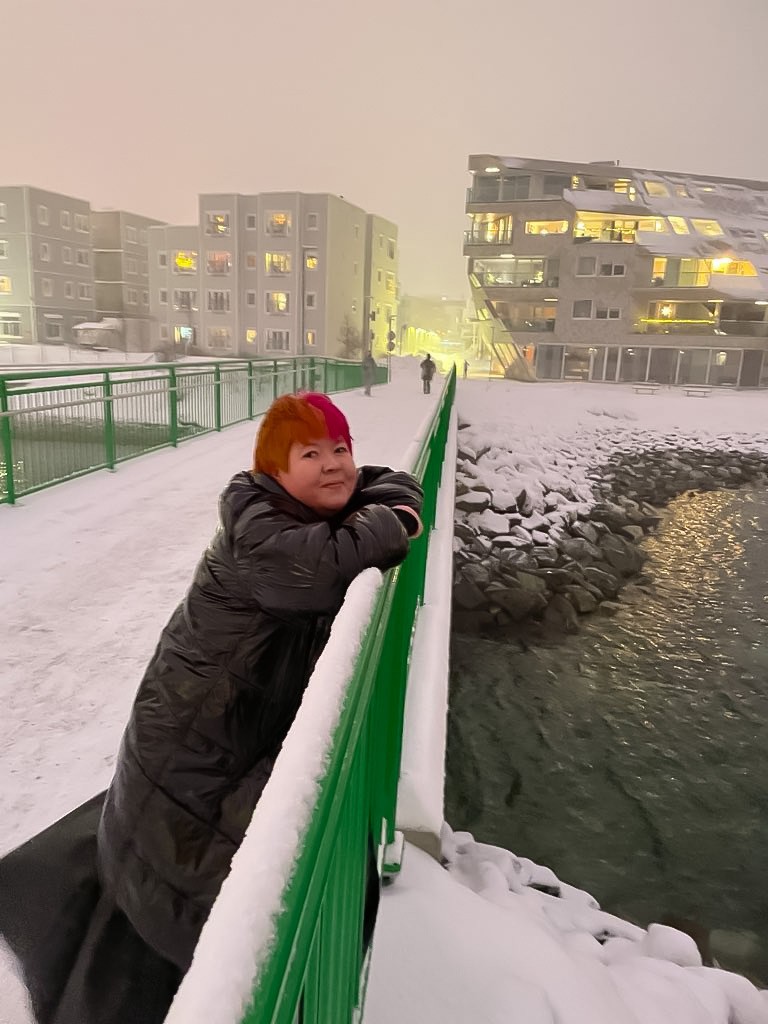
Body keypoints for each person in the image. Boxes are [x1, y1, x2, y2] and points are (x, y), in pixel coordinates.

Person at [0, 392, 423, 1024]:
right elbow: (325, 565)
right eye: (311, 454)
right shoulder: (265, 536)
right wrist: (395, 522)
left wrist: (387, 502)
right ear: (276, 472)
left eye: (341, 448)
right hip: (197, 730)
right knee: (200, 865)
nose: (335, 465)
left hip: (214, 718)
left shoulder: (285, 507)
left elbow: (389, 481)